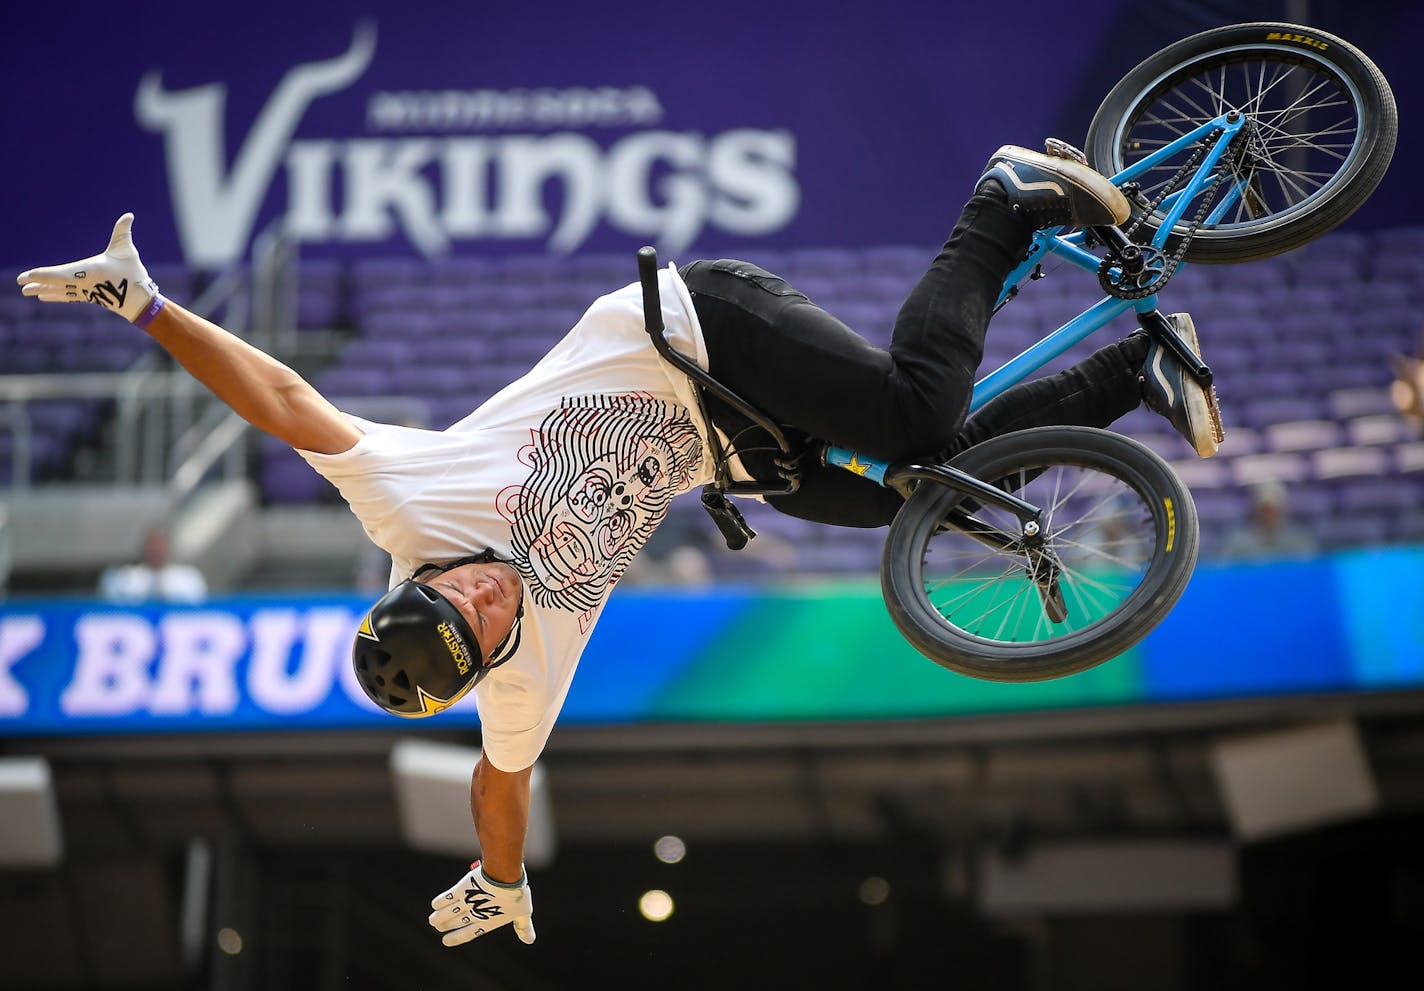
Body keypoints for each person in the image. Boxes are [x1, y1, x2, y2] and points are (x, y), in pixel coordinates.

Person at [16, 142, 1223, 947]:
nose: (490, 595)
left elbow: (282, 398)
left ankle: (1003, 198)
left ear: (419, 579)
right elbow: (501, 781)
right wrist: (500, 879)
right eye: (485, 626)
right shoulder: (521, 675)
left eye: (461, 595)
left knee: (914, 414)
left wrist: (150, 307)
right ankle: (1136, 364)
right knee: (924, 492)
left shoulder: (404, 504)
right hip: (731, 447)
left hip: (696, 333)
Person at [97, 525, 208, 604]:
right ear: (144, 547)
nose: (156, 551)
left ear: (168, 547)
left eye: (160, 546)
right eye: (153, 546)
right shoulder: (126, 578)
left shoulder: (188, 578)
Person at [1220, 479, 1318, 560]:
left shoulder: (1299, 539)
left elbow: (1309, 569)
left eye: (1272, 510)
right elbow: (1225, 571)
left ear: (1282, 510)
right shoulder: (1238, 541)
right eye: (1264, 510)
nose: (1268, 515)